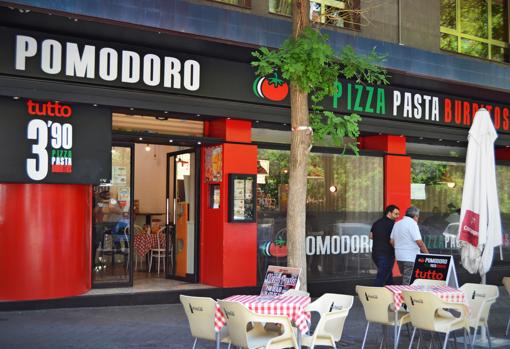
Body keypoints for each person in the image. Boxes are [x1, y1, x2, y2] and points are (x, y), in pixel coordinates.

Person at [390, 206, 429, 285]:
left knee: (405, 277)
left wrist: (400, 248)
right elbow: (419, 242)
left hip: (399, 256)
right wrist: (427, 254)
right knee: (408, 280)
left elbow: (391, 241)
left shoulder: (397, 223)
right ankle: (406, 296)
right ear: (415, 216)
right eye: (418, 217)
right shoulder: (412, 224)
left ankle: (404, 295)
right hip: (410, 257)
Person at [370, 204, 400, 286]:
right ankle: (373, 296)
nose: (398, 216)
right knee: (381, 279)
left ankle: (391, 293)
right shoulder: (393, 225)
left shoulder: (377, 223)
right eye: (396, 214)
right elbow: (392, 241)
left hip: (376, 254)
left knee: (388, 276)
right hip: (387, 254)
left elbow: (371, 236)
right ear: (389, 213)